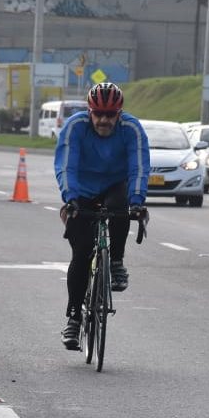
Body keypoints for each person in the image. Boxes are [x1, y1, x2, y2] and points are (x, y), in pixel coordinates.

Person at [54, 82, 150, 351]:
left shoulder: (131, 129)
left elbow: (139, 166)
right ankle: (73, 318)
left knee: (121, 207)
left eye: (110, 115)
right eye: (98, 114)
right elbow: (66, 164)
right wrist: (70, 198)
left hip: (115, 186)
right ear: (89, 111)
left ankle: (116, 261)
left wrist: (138, 201)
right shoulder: (75, 127)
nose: (104, 120)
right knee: (82, 253)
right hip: (81, 189)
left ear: (120, 114)